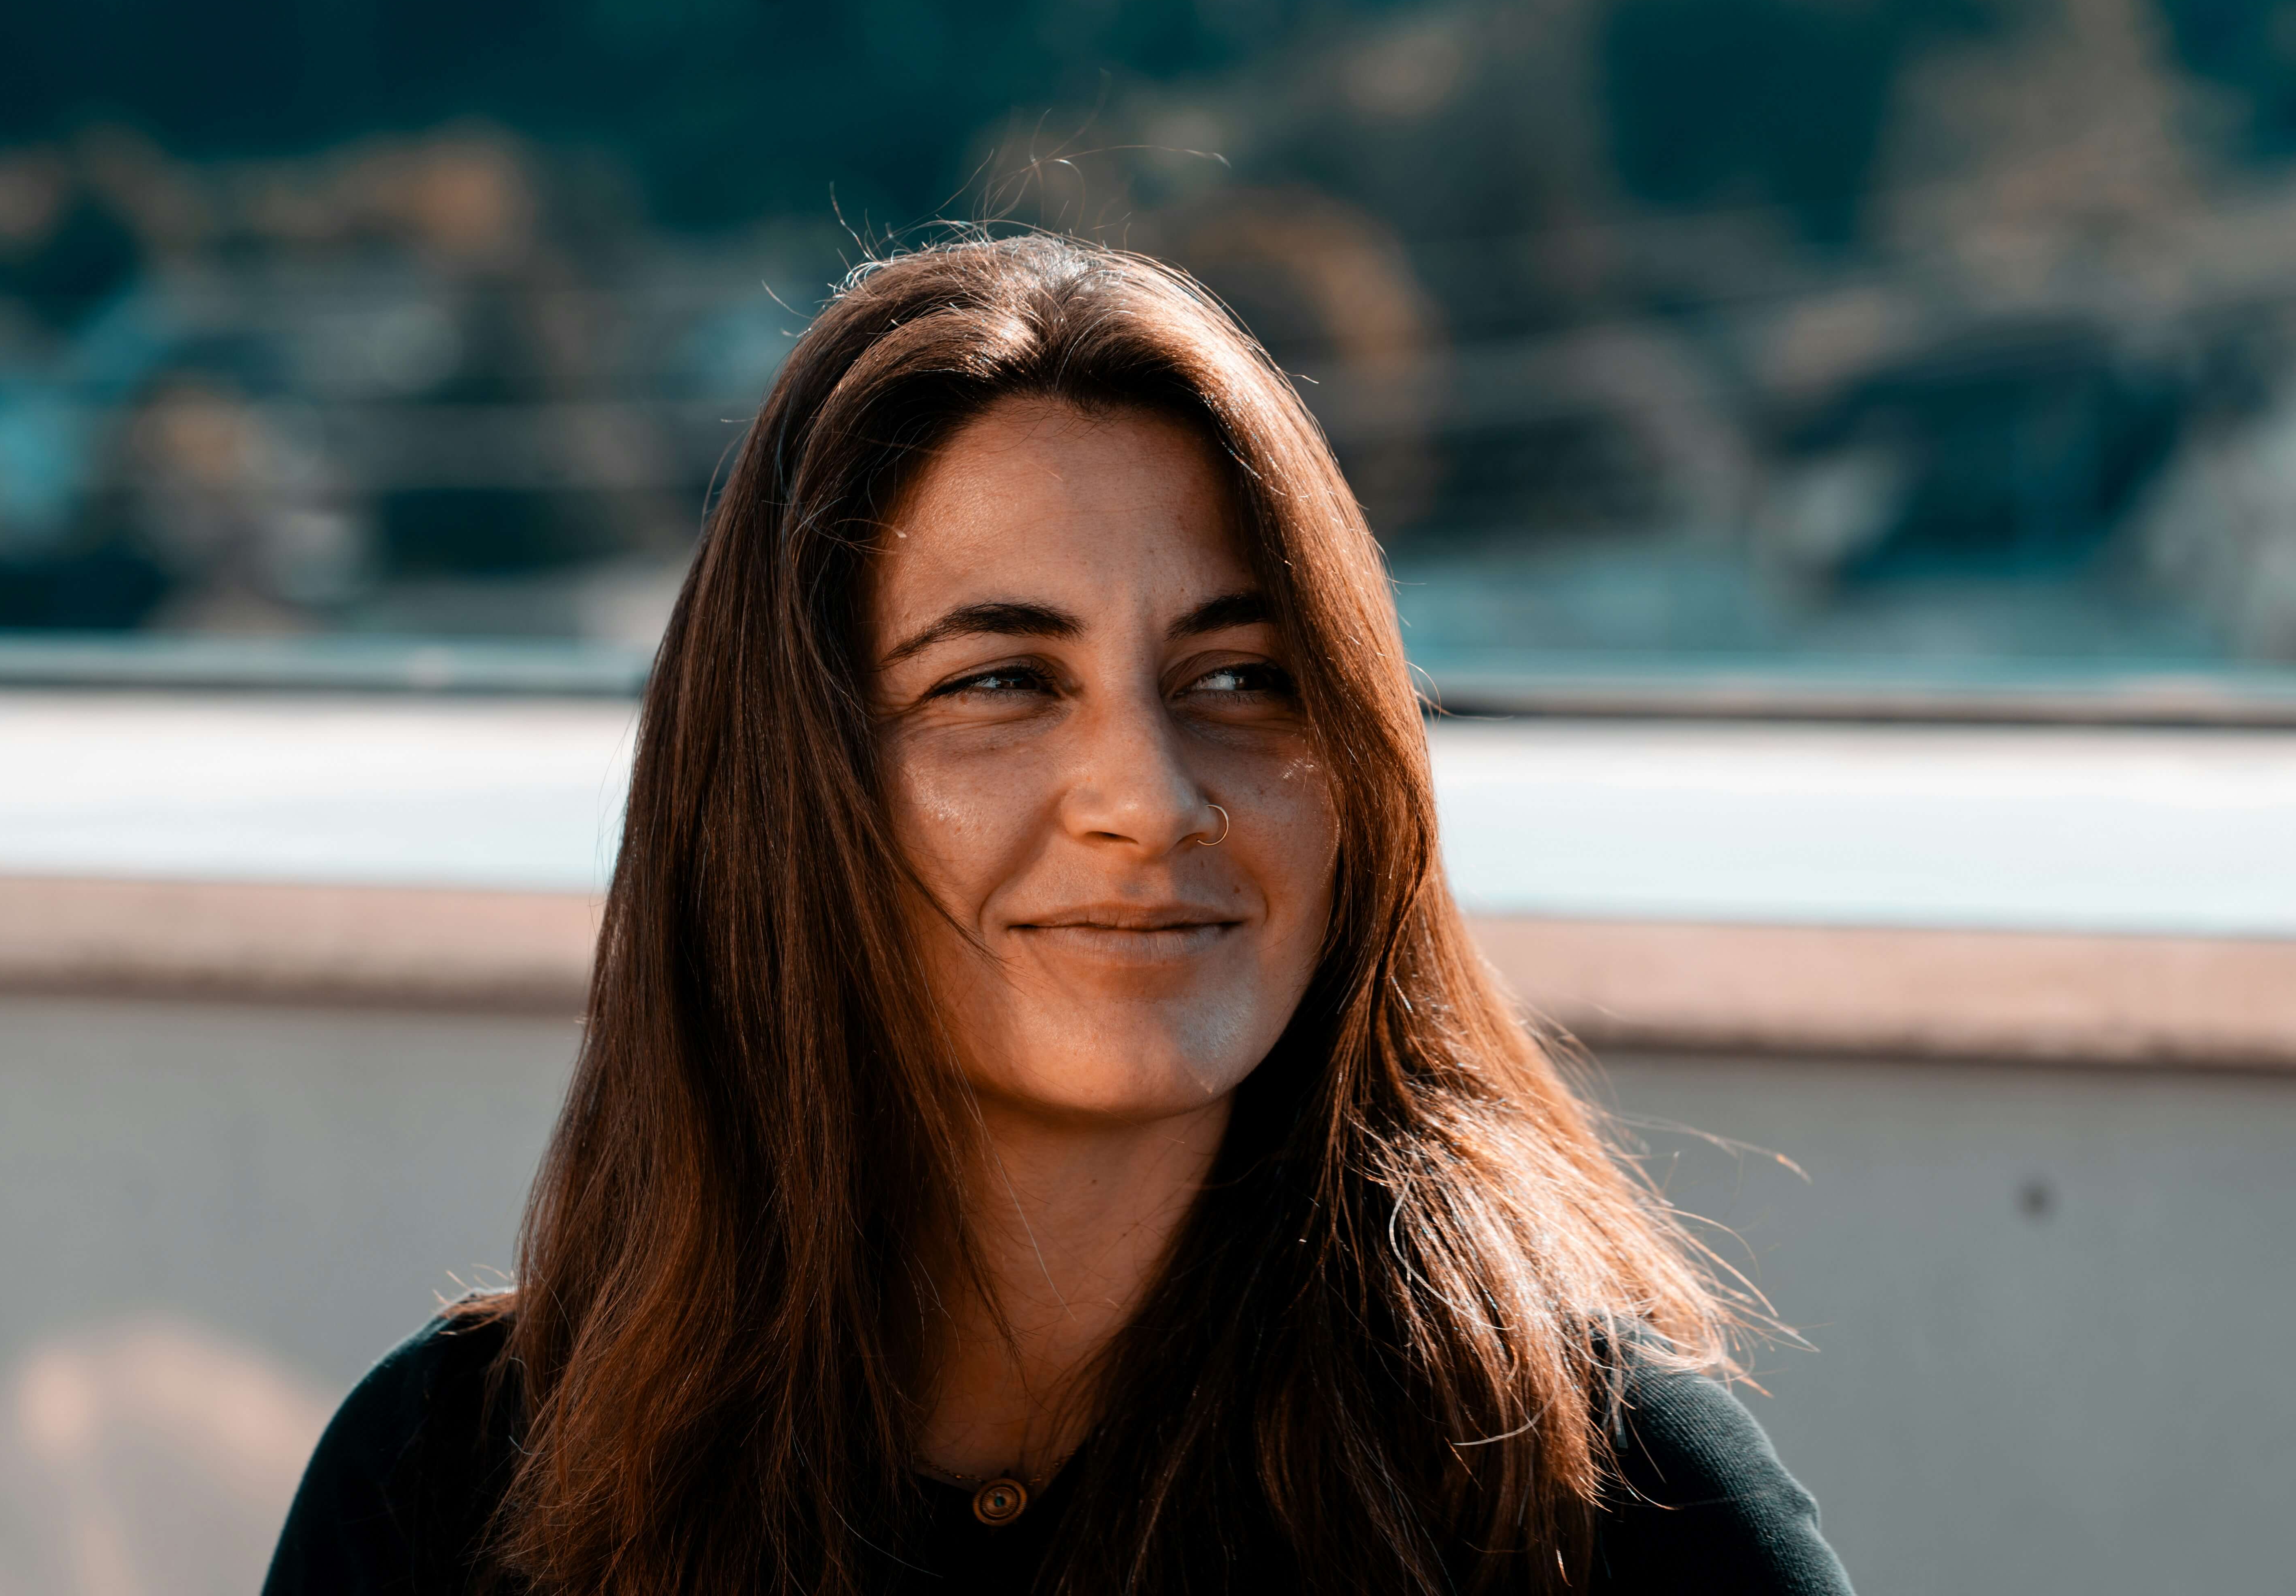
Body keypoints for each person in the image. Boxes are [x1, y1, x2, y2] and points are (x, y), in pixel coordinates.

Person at [264, 234, 1853, 1595]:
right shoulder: (446, 1490)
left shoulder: (1619, 1511)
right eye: (1002, 683)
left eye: (1243, 678)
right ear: (783, 791)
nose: (1149, 799)